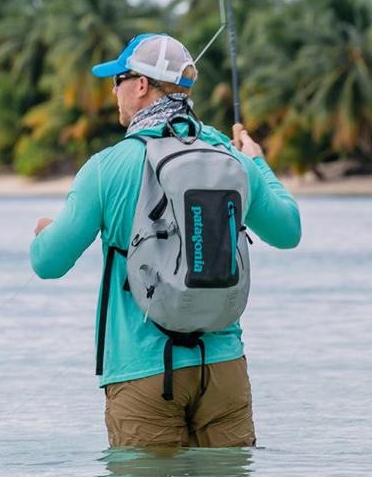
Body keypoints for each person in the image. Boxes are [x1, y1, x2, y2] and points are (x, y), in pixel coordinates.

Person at [29, 32, 302, 448]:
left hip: (141, 373)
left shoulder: (107, 167)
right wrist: (258, 162)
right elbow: (288, 231)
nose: (114, 91)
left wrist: (43, 233)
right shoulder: (231, 160)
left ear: (141, 85)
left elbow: (48, 264)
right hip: (223, 367)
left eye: (117, 80)